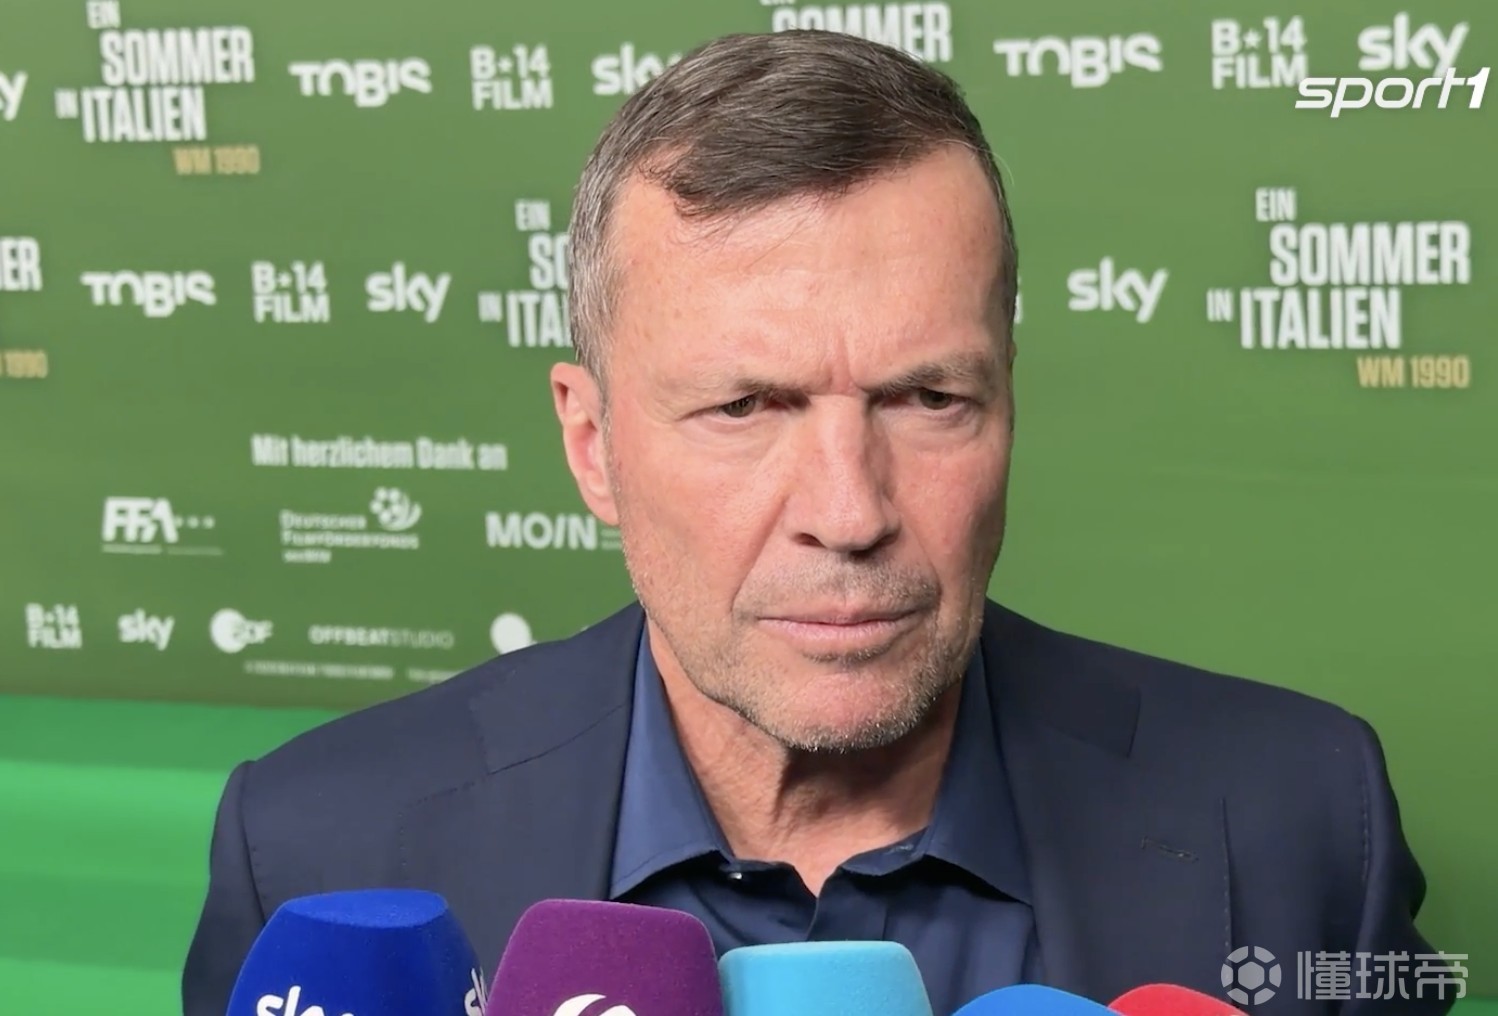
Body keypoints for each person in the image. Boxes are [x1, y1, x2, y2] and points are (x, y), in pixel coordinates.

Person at [183, 30, 1452, 1016]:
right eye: (744, 406)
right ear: (593, 444)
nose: (849, 513)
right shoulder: (313, 848)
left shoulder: (1298, 814)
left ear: (1008, 405)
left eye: (927, 398)